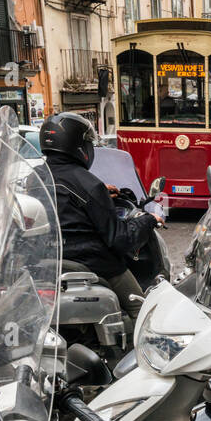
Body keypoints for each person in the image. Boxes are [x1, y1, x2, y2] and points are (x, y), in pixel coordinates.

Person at [39, 112, 158, 320]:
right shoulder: (89, 184)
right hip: (92, 263)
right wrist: (148, 220)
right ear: (79, 145)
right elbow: (120, 239)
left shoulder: (34, 178)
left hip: (44, 262)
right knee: (143, 313)